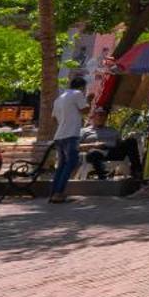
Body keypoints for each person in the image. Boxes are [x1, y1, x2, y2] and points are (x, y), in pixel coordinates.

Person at [47, 74, 88, 204]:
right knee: (72, 163)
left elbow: (53, 118)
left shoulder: (59, 99)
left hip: (59, 135)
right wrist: (90, 100)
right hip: (71, 134)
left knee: (62, 165)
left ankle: (54, 192)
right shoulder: (77, 94)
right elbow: (85, 110)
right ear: (82, 87)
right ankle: (59, 193)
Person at [82, 108, 141, 181]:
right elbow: (76, 146)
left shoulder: (112, 130)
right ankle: (103, 174)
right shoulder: (84, 131)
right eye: (100, 115)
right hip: (96, 152)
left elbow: (120, 143)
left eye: (104, 115)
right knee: (93, 153)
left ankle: (136, 171)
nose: (102, 117)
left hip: (112, 152)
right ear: (93, 117)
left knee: (131, 141)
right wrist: (93, 145)